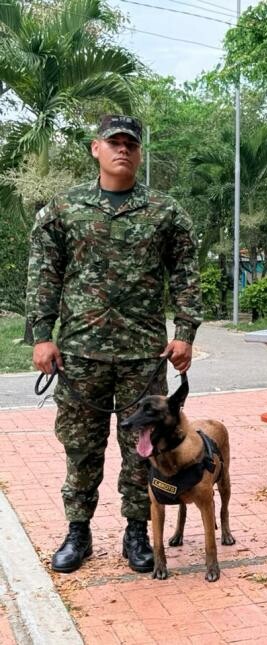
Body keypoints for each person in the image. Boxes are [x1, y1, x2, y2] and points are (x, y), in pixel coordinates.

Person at [26, 115, 202, 574]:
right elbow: (45, 274)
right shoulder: (63, 209)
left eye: (131, 144)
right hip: (80, 351)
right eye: (114, 142)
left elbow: (185, 275)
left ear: (139, 153)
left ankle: (137, 532)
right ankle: (78, 532)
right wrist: (42, 336)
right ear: (95, 149)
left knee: (141, 447)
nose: (122, 149)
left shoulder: (165, 211)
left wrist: (185, 332)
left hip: (142, 353)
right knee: (81, 447)